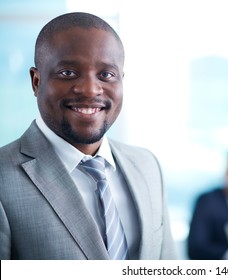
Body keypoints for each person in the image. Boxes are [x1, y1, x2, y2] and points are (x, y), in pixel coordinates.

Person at [0, 12, 176, 260]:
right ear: (36, 81)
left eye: (106, 75)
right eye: (68, 73)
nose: (91, 89)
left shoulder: (147, 166)